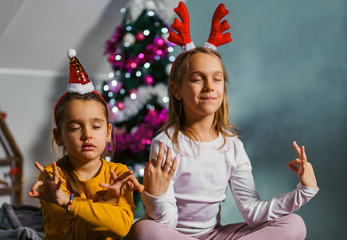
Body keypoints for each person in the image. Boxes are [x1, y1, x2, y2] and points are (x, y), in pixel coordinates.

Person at [128, 2, 318, 240]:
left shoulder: (232, 145)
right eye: (198, 79)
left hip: (216, 235)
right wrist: (155, 197)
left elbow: (252, 212)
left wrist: (303, 192)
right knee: (143, 229)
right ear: (176, 90)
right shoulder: (165, 144)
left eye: (216, 79)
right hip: (178, 235)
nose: (209, 86)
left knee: (294, 224)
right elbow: (167, 224)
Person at [28, 49, 144, 240]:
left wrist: (68, 202)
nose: (87, 135)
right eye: (75, 127)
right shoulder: (53, 179)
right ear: (59, 137)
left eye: (96, 126)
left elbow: (122, 228)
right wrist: (109, 203)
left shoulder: (119, 173)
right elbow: (80, 235)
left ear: (108, 133)